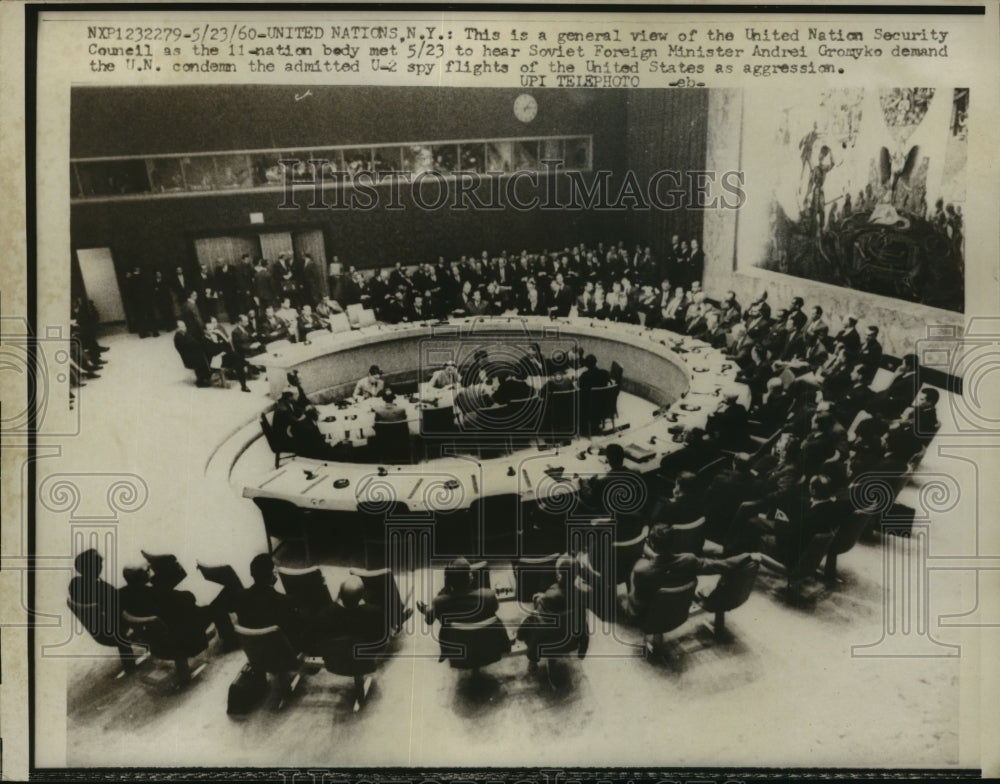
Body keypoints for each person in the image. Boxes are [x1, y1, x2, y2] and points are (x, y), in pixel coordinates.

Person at [616, 524, 758, 623]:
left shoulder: (642, 570)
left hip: (647, 616)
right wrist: (747, 556)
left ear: (651, 544)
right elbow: (721, 565)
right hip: (679, 610)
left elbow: (637, 600)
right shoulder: (689, 560)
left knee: (621, 594)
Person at [67, 548, 137, 672]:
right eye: (98, 564)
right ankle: (132, 668)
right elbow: (107, 601)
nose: (101, 566)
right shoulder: (93, 586)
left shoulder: (77, 583)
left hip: (104, 624)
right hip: (111, 628)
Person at [234, 553, 307, 651]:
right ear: (273, 574)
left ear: (252, 574)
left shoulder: (240, 596)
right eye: (275, 570)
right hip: (283, 650)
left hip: (258, 650)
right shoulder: (283, 601)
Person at [416, 557, 499, 624]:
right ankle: (429, 610)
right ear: (470, 578)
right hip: (484, 640)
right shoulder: (489, 596)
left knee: (442, 601)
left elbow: (428, 622)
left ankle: (428, 610)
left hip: (455, 640)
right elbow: (484, 563)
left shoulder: (440, 602)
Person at [173, 320, 211, 387]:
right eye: (181, 326)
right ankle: (200, 381)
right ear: (177, 328)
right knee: (199, 362)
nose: (184, 327)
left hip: (195, 353)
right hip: (189, 356)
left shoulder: (185, 334)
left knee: (204, 357)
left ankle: (206, 376)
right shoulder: (178, 337)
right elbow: (183, 349)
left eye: (184, 326)